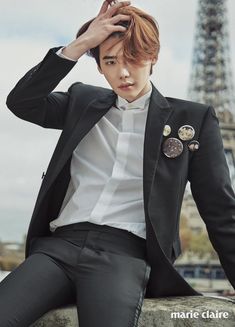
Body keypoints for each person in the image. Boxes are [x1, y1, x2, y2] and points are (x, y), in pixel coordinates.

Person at [1, 0, 235, 326]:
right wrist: (81, 43)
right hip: (58, 249)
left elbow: (220, 211)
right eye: (110, 61)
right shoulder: (82, 101)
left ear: (153, 57)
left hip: (123, 254)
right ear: (99, 67)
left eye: (133, 59)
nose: (122, 72)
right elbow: (21, 102)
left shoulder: (193, 120)